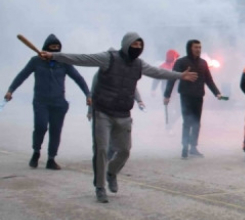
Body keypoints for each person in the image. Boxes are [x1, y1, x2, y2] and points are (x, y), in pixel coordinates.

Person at [42, 32, 197, 203]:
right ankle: (100, 187)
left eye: (140, 46)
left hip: (123, 113)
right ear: (126, 44)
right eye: (134, 45)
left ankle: (111, 173)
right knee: (101, 150)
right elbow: (82, 58)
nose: (137, 48)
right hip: (103, 112)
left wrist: (180, 76)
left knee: (124, 151)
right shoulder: (108, 58)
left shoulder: (138, 64)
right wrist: (53, 55)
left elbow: (157, 72)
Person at [6, 34, 91, 170]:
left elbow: (78, 78)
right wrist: (11, 90)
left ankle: (51, 159)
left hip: (59, 103)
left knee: (55, 130)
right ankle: (36, 152)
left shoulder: (64, 63)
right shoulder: (35, 61)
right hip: (41, 101)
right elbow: (22, 75)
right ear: (46, 48)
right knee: (40, 126)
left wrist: (88, 94)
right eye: (52, 47)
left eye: (58, 48)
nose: (55, 50)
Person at [163, 39, 224, 159]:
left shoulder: (203, 63)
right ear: (190, 48)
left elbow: (209, 80)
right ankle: (184, 147)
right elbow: (172, 78)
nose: (198, 50)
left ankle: (193, 147)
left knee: (196, 123)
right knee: (187, 122)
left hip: (198, 95)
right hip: (186, 96)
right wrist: (167, 95)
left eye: (200, 47)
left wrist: (217, 93)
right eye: (195, 47)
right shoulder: (181, 62)